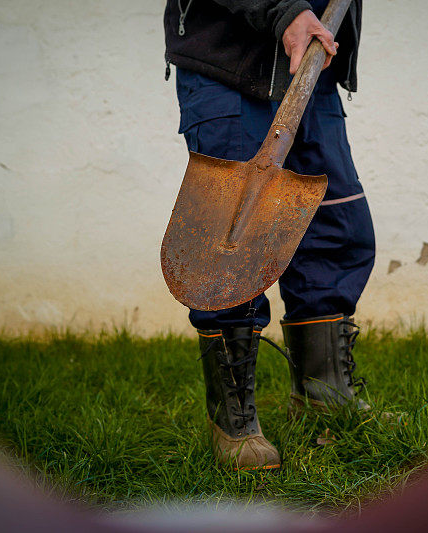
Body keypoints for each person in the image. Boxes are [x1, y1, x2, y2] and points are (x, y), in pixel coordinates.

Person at [164, 0, 373, 470]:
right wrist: (284, 11)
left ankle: (324, 395)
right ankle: (232, 420)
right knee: (231, 237)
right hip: (230, 60)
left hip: (312, 63)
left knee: (336, 227)